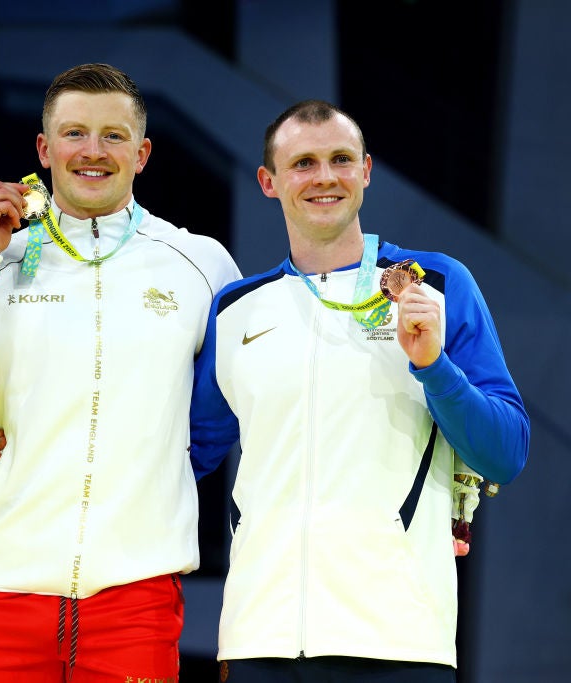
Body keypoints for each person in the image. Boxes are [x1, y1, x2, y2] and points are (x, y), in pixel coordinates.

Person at [0, 63, 241, 681]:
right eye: (75, 133)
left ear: (142, 154)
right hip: (3, 584)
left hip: (136, 593)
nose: (93, 151)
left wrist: (158, 468)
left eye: (113, 136)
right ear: (43, 148)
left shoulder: (202, 264)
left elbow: (230, 411)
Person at [189, 99, 530, 681]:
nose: (324, 177)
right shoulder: (236, 309)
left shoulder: (438, 284)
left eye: (341, 159)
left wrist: (433, 366)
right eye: (303, 163)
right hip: (258, 636)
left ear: (366, 172)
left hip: (396, 639)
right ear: (269, 183)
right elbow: (184, 458)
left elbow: (505, 451)